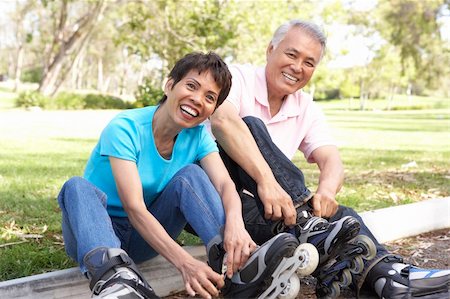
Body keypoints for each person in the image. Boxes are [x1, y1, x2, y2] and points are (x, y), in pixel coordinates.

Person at [209, 20, 450, 299]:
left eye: (309, 62)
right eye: (291, 54)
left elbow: (331, 159)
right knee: (249, 124)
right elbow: (223, 121)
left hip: (270, 212)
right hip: (222, 198)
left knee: (340, 214)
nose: (297, 67)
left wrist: (326, 191)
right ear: (270, 50)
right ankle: (312, 230)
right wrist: (267, 181)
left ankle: (391, 277)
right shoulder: (237, 77)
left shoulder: (305, 107)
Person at [57, 52, 305, 299]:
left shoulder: (198, 136)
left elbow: (225, 186)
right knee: (76, 186)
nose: (198, 99)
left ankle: (234, 263)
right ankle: (115, 281)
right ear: (169, 85)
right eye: (191, 86)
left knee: (191, 175)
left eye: (210, 97)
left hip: (144, 239)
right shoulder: (125, 127)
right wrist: (185, 262)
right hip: (96, 234)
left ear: (212, 110)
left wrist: (236, 226)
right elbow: (135, 208)